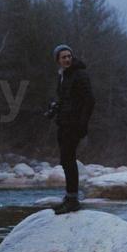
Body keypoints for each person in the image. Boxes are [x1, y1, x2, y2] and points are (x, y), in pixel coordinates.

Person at [48, 44, 94, 214]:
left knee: (69, 159)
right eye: (63, 57)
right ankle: (69, 196)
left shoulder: (79, 74)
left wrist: (83, 124)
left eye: (69, 56)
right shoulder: (63, 76)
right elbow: (65, 99)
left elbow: (89, 101)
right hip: (64, 122)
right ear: (58, 61)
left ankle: (73, 199)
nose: (67, 59)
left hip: (74, 124)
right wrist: (54, 108)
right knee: (65, 161)